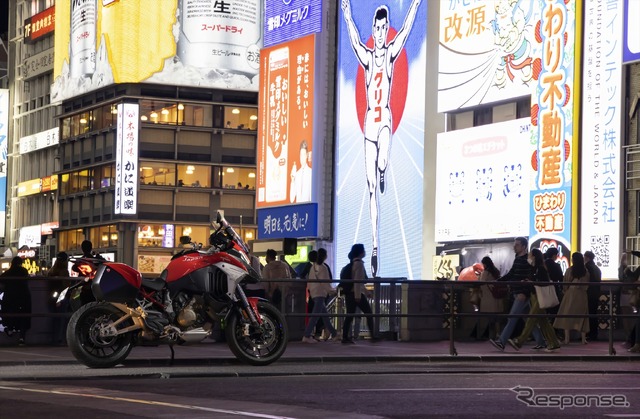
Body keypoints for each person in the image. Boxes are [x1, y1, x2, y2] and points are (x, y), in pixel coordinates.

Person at [341, 0, 422, 277]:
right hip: (368, 126)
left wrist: (415, 5)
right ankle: (375, 246)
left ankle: (385, 168)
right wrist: (347, 14)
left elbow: (408, 30)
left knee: (383, 160)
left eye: (383, 27)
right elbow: (352, 38)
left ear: (386, 29)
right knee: (372, 189)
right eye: (376, 27)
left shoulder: (389, 55)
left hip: (384, 120)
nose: (379, 31)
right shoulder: (365, 56)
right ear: (373, 29)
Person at [507, 249, 561, 352]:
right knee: (543, 321)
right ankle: (554, 343)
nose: (528, 257)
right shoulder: (535, 268)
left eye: (530, 255)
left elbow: (542, 282)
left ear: (534, 257)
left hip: (539, 297)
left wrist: (531, 282)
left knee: (531, 319)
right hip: (536, 296)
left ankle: (520, 341)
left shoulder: (539, 268)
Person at [489, 236, 532, 351]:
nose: (514, 246)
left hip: (521, 293)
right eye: (515, 244)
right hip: (517, 292)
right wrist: (498, 281)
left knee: (512, 317)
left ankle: (501, 342)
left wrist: (524, 292)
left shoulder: (527, 260)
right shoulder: (518, 258)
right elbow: (511, 273)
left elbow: (529, 277)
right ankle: (542, 341)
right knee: (529, 319)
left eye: (517, 245)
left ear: (524, 246)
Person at [341, 243, 376, 344]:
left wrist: (365, 292)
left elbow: (358, 282)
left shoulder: (353, 263)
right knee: (369, 313)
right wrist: (358, 296)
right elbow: (358, 282)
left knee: (349, 316)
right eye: (364, 250)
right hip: (355, 294)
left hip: (350, 294)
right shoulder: (359, 264)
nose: (365, 251)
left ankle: (345, 337)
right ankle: (373, 335)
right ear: (361, 252)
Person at [553, 252, 590, 345]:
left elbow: (565, 283)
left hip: (570, 294)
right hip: (582, 295)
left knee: (567, 315)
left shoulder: (570, 270)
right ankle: (583, 339)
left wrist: (565, 290)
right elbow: (586, 285)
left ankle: (567, 339)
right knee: (582, 316)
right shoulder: (585, 272)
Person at [302, 250, 338, 343]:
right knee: (315, 316)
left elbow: (309, 281)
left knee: (324, 315)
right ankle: (306, 335)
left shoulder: (313, 267)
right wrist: (331, 291)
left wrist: (310, 291)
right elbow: (325, 282)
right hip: (320, 293)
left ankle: (334, 333)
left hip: (313, 293)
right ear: (325, 256)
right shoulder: (324, 268)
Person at [0, 257, 32, 346]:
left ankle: (10, 329)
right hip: (23, 297)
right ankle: (21, 338)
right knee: (23, 316)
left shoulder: (8, 273)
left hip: (10, 297)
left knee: (10, 313)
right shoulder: (24, 271)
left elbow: (1, 279)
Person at [475, 256, 504, 340]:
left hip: (489, 298)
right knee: (498, 319)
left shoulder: (485, 272)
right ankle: (500, 335)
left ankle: (492, 337)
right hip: (498, 298)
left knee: (491, 320)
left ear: (484, 264)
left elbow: (481, 284)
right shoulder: (496, 271)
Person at [47, 252, 72, 345]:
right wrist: (60, 300)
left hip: (51, 298)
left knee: (54, 320)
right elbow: (65, 287)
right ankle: (59, 339)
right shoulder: (64, 272)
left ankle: (53, 339)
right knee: (61, 320)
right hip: (61, 299)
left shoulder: (51, 271)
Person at [584, 250, 602, 342]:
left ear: (587, 257)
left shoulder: (587, 267)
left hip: (588, 293)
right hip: (596, 294)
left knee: (588, 314)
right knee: (593, 314)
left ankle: (588, 334)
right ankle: (593, 334)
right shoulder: (596, 268)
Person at [289, 139, 312, 203]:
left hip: (308, 209)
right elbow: (291, 198)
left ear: (307, 156)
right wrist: (292, 180)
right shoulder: (297, 174)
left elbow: (311, 195)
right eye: (301, 155)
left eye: (304, 155)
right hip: (298, 209)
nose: (302, 158)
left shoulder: (311, 173)